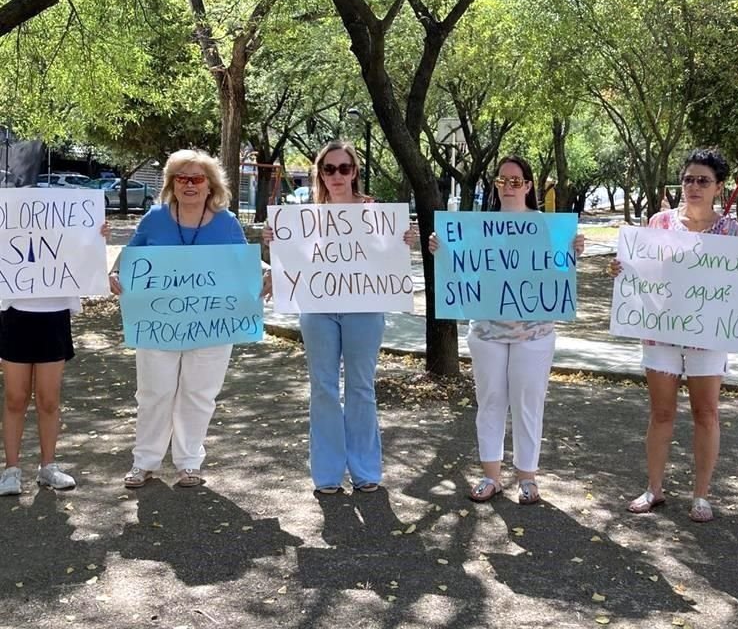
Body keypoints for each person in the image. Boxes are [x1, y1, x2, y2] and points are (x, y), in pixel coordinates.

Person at [609, 147, 738, 522]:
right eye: (688, 179)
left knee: (706, 412)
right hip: (660, 332)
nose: (694, 186)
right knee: (661, 412)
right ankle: (654, 488)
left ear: (718, 187)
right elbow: (640, 270)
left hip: (709, 337)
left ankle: (701, 495)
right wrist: (621, 271)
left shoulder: (730, 231)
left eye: (703, 180)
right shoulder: (659, 223)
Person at [109, 149, 269, 489]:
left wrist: (267, 274)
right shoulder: (154, 218)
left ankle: (189, 463)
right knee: (154, 392)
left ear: (210, 185)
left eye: (196, 178)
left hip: (211, 325)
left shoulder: (225, 222)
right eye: (181, 179)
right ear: (171, 184)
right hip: (158, 323)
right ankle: (145, 462)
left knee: (199, 394)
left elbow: (245, 261)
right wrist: (114, 273)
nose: (189, 185)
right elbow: (130, 256)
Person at [263, 140, 416, 495]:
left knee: (361, 388)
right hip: (317, 310)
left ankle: (365, 470)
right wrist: (275, 241)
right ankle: (328, 473)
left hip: (364, 308)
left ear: (355, 172)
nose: (336, 175)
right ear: (319, 173)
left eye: (344, 168)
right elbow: (295, 261)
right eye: (328, 169)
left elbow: (386, 257)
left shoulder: (375, 211)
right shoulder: (301, 215)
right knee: (324, 388)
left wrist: (403, 238)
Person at [430, 155, 585, 505]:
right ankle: (491, 476)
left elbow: (558, 274)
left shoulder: (548, 227)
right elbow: (463, 269)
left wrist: (573, 250)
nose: (509, 187)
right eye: (502, 181)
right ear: (496, 185)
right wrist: (441, 251)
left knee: (528, 404)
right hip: (486, 333)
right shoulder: (477, 227)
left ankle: (527, 478)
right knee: (490, 402)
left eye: (516, 181)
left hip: (535, 335)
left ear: (529, 186)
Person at [0, 224, 110, 496]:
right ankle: (11, 469)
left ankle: (48, 466)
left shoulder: (67, 223)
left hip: (54, 316)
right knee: (15, 397)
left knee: (49, 399)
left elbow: (85, 258)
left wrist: (97, 239)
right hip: (14, 315)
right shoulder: (10, 219)